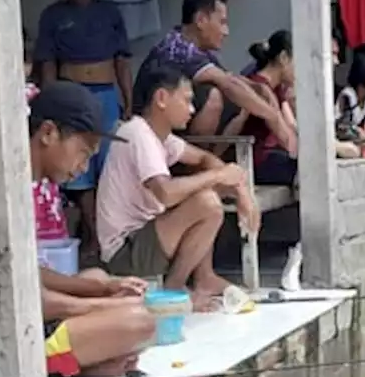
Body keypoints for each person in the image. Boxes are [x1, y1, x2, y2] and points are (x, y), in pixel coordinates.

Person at [0, 82, 154, 377]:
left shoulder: (12, 177)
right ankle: (80, 363)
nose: (82, 167)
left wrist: (102, 288)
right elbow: (20, 298)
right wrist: (105, 305)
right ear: (48, 133)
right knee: (138, 320)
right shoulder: (1, 191)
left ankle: (84, 361)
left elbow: (25, 275)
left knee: (98, 277)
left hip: (2, 327)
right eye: (82, 153)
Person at [96, 65, 259, 298]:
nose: (192, 110)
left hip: (146, 238)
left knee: (208, 191)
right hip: (126, 251)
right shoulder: (138, 134)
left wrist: (241, 191)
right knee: (206, 202)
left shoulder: (161, 137)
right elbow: (166, 193)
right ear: (162, 98)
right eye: (186, 100)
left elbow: (204, 158)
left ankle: (204, 278)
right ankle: (174, 290)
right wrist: (218, 176)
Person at [35, 0, 132, 257]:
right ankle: (93, 235)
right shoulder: (52, 16)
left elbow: (122, 61)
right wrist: (49, 99)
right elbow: (47, 63)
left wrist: (128, 101)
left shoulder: (109, 12)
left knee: (108, 167)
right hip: (71, 96)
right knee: (80, 172)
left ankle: (111, 236)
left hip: (106, 95)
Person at [137, 0, 296, 156]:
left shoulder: (200, 51)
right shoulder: (181, 50)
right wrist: (272, 116)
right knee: (215, 95)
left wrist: (262, 90)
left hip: (171, 134)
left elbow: (233, 79)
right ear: (201, 20)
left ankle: (209, 161)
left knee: (244, 98)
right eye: (222, 22)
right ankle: (198, 168)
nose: (226, 31)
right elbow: (229, 84)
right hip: (150, 135)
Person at [242, 30, 298, 186]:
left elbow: (291, 125)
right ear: (284, 58)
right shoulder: (259, 88)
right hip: (256, 162)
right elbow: (286, 137)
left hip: (271, 156)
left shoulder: (276, 88)